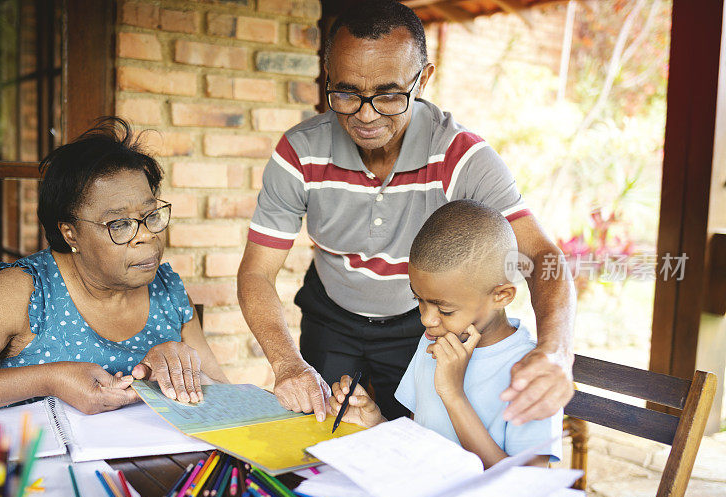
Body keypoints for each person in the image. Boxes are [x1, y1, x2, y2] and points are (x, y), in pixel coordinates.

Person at [238, 0, 574, 423]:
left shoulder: (461, 156)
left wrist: (555, 351)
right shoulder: (299, 151)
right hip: (331, 314)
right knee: (320, 435)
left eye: (389, 95)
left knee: (414, 439)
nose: (365, 115)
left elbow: (541, 257)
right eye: (345, 92)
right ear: (327, 78)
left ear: (424, 79)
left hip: (420, 323)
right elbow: (256, 272)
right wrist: (288, 365)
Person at [0, 117, 227, 423]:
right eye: (120, 224)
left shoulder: (168, 291)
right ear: (71, 233)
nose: (147, 235)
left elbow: (224, 399)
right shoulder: (27, 293)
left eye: (150, 215)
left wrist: (185, 371)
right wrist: (49, 379)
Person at [330, 200, 563, 468]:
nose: (426, 319)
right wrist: (375, 424)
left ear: (501, 296)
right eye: (419, 299)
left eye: (446, 310)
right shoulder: (434, 342)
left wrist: (453, 394)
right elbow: (421, 444)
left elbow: (524, 485)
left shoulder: (532, 373)